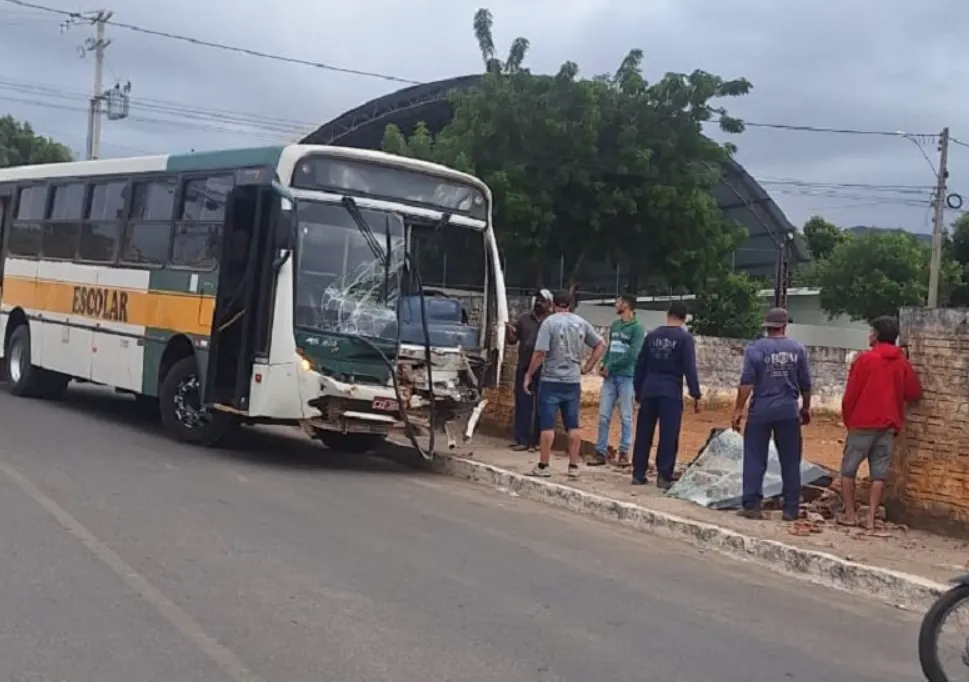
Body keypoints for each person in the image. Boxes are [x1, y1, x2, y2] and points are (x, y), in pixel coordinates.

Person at [839, 315, 922, 532]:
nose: (868, 335)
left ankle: (849, 514)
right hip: (887, 425)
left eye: (870, 332)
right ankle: (870, 518)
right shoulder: (901, 362)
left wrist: (849, 420)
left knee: (848, 470)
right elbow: (914, 392)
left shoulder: (864, 360)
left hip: (862, 422)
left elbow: (850, 396)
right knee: (879, 473)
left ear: (875, 335)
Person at [732, 307, 812, 521]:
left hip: (761, 411)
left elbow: (746, 383)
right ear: (785, 326)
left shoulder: (755, 349)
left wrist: (738, 410)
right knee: (790, 459)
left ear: (766, 326)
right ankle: (791, 509)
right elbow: (806, 384)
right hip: (788, 410)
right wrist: (805, 408)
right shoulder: (798, 349)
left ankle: (752, 505)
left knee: (755, 457)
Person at [523, 290, 606, 479]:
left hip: (551, 379)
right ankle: (574, 466)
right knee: (573, 424)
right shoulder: (580, 323)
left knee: (547, 425)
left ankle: (544, 466)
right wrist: (587, 366)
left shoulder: (549, 323)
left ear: (553, 304)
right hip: (572, 380)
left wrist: (529, 374)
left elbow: (540, 353)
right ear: (570, 304)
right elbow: (600, 344)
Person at [631, 301, 701, 489]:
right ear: (684, 318)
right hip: (670, 391)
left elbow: (640, 366)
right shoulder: (685, 339)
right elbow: (689, 368)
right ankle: (664, 475)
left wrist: (638, 391)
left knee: (644, 431)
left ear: (667, 315)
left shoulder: (651, 336)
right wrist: (695, 394)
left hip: (649, 388)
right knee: (669, 434)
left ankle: (638, 473)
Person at [590, 294, 645, 468]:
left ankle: (623, 452)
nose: (616, 304)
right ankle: (600, 451)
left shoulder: (637, 329)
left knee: (626, 416)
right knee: (604, 415)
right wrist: (604, 364)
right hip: (611, 377)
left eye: (619, 302)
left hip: (626, 377)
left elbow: (632, 355)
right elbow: (610, 348)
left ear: (626, 305)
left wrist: (610, 366)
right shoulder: (615, 325)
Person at [505, 289, 553, 452]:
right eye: (537, 299)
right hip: (525, 366)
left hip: (545, 368)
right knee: (522, 404)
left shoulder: (552, 321)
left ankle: (537, 441)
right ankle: (522, 440)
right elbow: (512, 340)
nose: (538, 302)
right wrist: (509, 332)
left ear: (549, 304)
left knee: (542, 405)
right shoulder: (524, 318)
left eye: (543, 300)